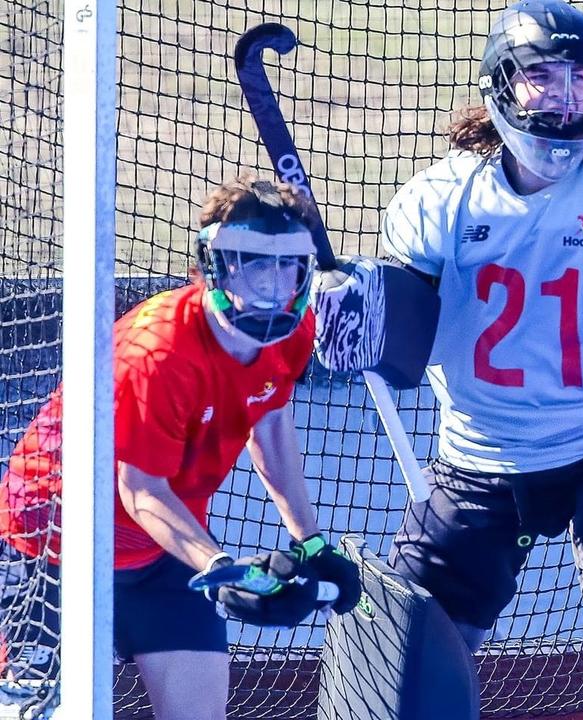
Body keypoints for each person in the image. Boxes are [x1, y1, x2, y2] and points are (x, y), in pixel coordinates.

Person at [379, 0, 583, 667]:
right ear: (503, 84)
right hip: (482, 454)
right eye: (542, 76)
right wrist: (363, 320)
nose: (563, 94)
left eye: (580, 77)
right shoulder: (438, 198)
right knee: (408, 648)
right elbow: (402, 345)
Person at [0, 175, 360, 720]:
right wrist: (221, 567)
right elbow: (140, 490)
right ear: (215, 267)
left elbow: (271, 425)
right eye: (255, 265)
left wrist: (308, 541)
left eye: (289, 267)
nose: (275, 283)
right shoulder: (158, 353)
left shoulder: (292, 330)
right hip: (52, 545)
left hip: (162, 553)